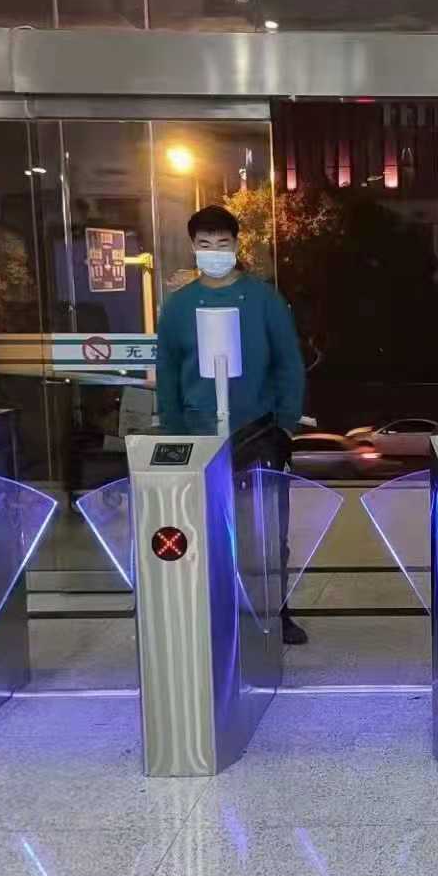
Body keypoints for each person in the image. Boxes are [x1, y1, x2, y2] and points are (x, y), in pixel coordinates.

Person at [155, 204, 309, 645]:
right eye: (205, 244)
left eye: (222, 243)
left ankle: (274, 610)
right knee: (202, 527)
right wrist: (175, 436)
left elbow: (289, 363)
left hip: (258, 430)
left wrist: (286, 424)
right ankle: (210, 608)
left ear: (236, 245)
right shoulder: (179, 307)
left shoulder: (264, 300)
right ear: (193, 248)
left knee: (265, 528)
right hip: (198, 431)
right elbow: (168, 373)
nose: (214, 252)